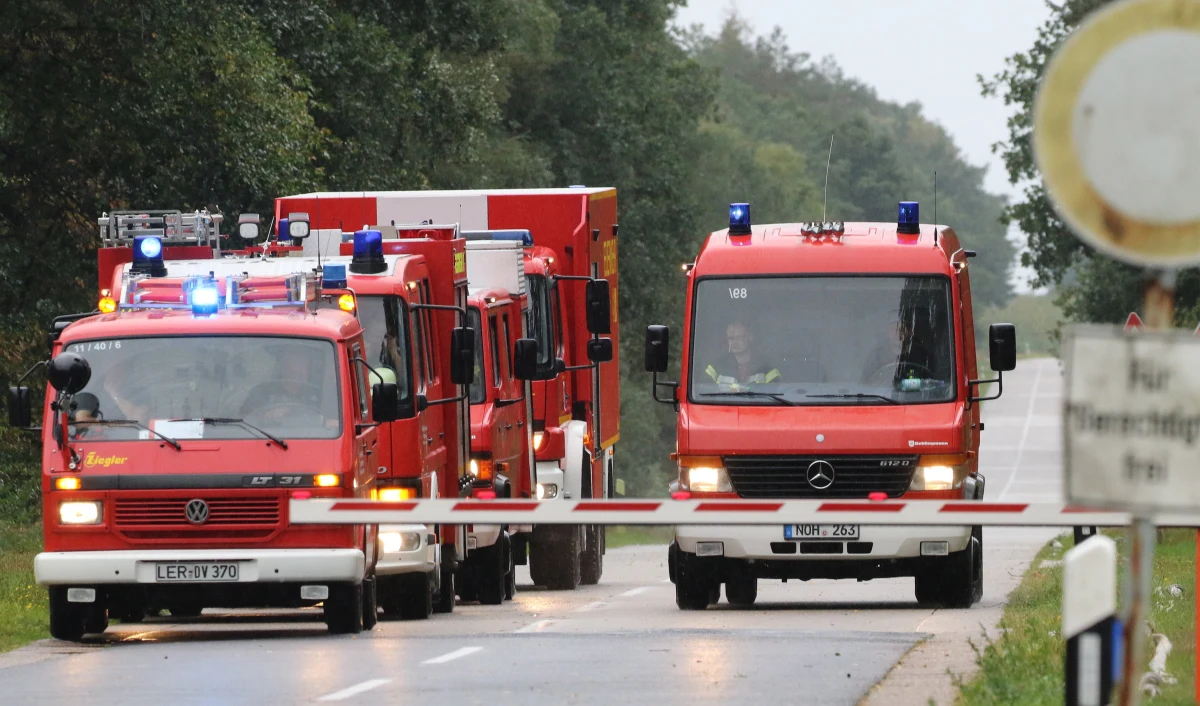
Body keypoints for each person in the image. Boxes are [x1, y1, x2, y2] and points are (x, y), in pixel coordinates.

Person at [241, 347, 326, 421]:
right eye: (292, 373)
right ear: (282, 370)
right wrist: (264, 416)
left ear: (308, 373)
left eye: (300, 375)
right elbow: (243, 421)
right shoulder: (261, 393)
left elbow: (333, 422)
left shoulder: (319, 396)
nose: (295, 380)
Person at [860, 314, 936, 385]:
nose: (898, 333)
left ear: (910, 332)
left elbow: (932, 385)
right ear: (887, 331)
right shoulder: (876, 356)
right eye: (893, 329)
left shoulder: (922, 356)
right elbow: (866, 384)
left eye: (902, 328)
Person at [705, 320, 781, 387]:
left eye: (738, 338)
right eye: (731, 338)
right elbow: (704, 390)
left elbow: (778, 392)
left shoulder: (767, 367)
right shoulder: (716, 366)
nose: (734, 342)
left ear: (750, 338)